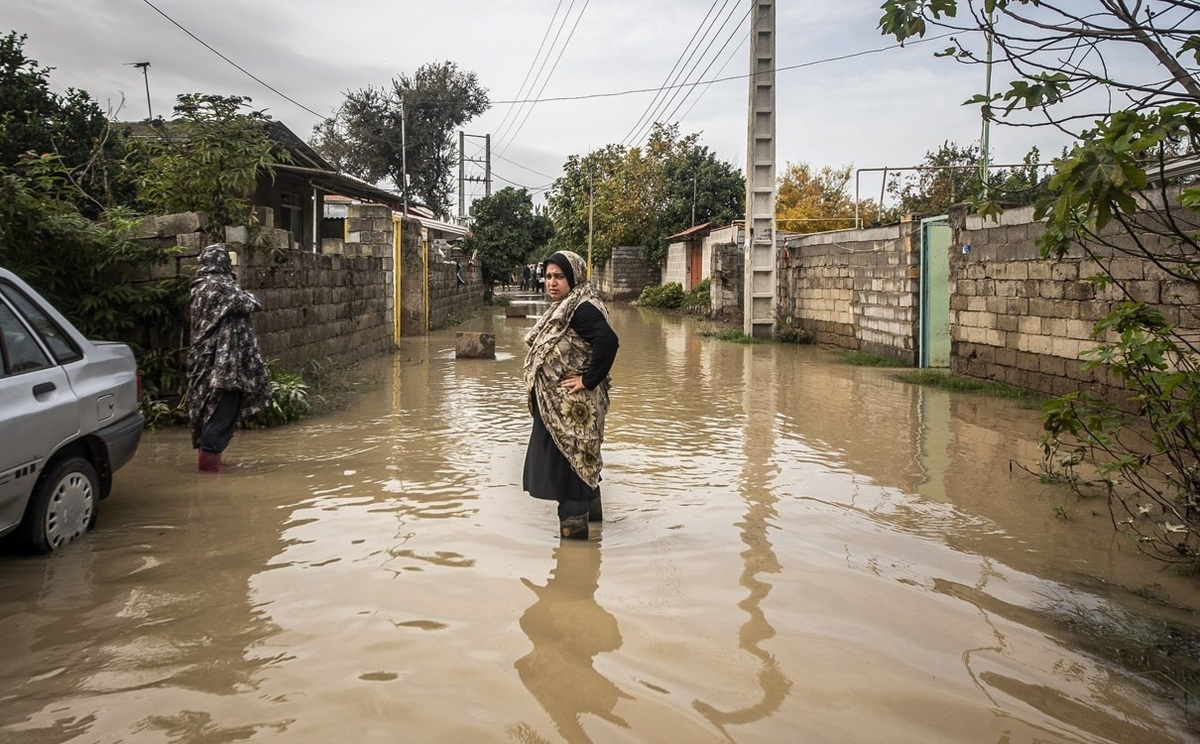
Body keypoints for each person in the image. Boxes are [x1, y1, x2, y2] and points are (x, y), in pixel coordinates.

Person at [522, 251, 619, 539]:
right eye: (548, 276)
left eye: (559, 277)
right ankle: (594, 534)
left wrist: (588, 379)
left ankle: (575, 548)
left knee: (569, 470)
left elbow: (609, 342)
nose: (552, 282)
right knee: (581, 464)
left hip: (569, 412)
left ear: (573, 278)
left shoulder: (581, 309)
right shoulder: (569, 305)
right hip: (561, 409)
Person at [186, 244, 271, 473]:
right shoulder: (221, 286)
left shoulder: (198, 286)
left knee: (207, 413)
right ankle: (209, 480)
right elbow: (251, 303)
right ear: (223, 263)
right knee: (219, 418)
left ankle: (210, 467)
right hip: (223, 366)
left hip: (202, 360)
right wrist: (235, 281)